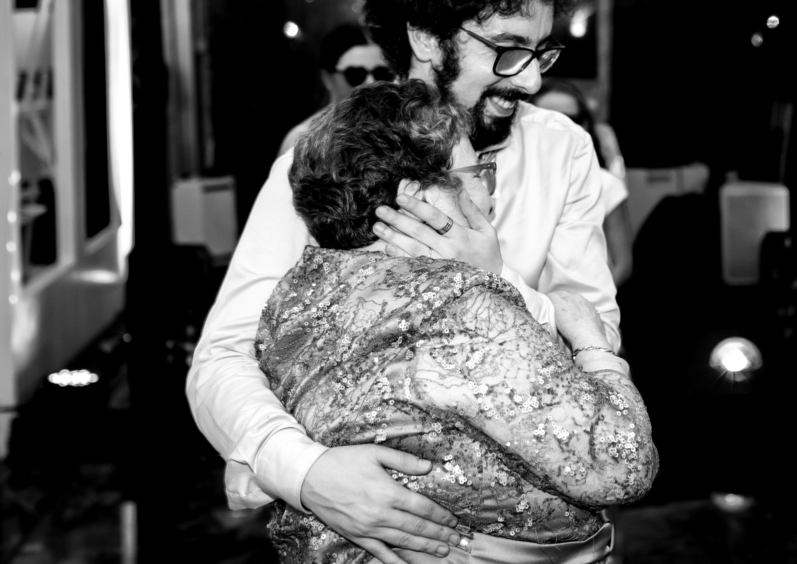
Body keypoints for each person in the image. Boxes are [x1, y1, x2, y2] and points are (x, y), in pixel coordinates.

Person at [188, 0, 618, 564]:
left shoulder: (561, 150)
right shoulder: (323, 154)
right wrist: (307, 474)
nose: (531, 81)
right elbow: (220, 360)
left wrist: (492, 281)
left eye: (541, 52)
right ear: (424, 36)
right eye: (507, 49)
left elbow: (595, 333)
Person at [260, 80, 657, 563]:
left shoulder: (293, 296)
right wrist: (592, 343)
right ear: (417, 197)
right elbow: (622, 464)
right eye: (478, 172)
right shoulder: (460, 306)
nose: (490, 193)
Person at [533, 80, 633, 287]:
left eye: (571, 119)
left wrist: (594, 302)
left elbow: (623, 265)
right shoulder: (507, 182)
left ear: (585, 124)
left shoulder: (606, 185)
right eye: (547, 118)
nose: (560, 127)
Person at [278, 24, 392, 156]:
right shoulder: (301, 141)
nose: (370, 83)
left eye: (381, 73)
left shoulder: (395, 135)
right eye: (355, 74)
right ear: (327, 78)